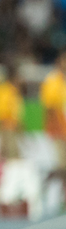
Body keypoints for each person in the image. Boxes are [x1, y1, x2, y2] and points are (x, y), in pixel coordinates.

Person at [39, 52, 66, 206]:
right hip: (58, 129)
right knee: (62, 166)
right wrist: (57, 130)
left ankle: (63, 197)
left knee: (64, 166)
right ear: (58, 61)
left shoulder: (63, 81)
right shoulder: (52, 80)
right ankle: (43, 184)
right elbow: (50, 108)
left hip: (64, 128)